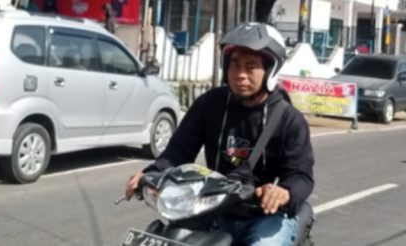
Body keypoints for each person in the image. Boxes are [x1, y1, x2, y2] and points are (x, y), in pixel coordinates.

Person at [124, 23, 314, 245]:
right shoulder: (210, 104)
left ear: (271, 70)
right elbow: (178, 151)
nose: (240, 75)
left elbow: (301, 176)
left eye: (251, 67)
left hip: (265, 215)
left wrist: (283, 192)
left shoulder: (289, 120)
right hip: (211, 208)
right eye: (234, 65)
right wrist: (151, 174)